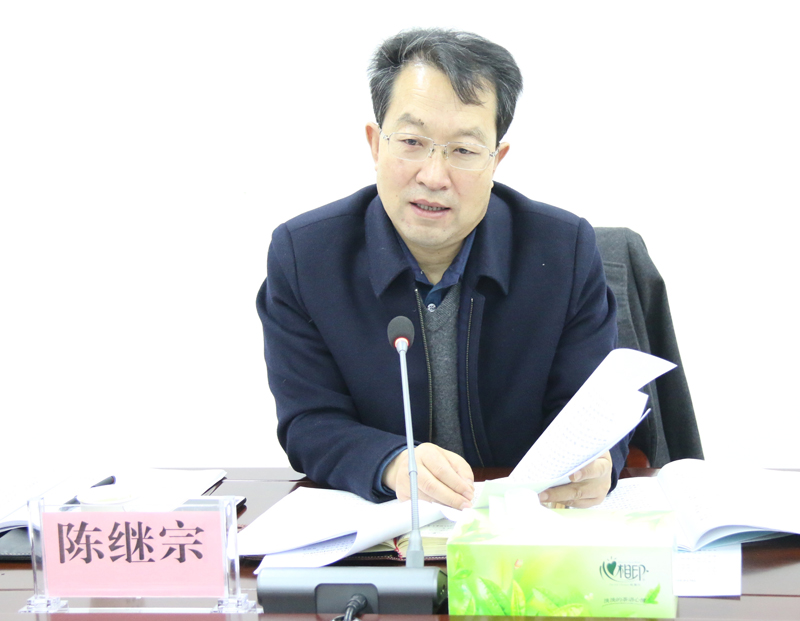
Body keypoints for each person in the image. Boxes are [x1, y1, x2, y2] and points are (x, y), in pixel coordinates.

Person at [256, 28, 626, 510]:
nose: (433, 176)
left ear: (496, 160)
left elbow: (593, 414)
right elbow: (309, 422)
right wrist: (391, 462)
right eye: (412, 141)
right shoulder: (305, 257)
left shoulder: (564, 252)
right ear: (375, 144)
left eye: (464, 150)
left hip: (524, 523)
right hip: (388, 526)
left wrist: (598, 462)